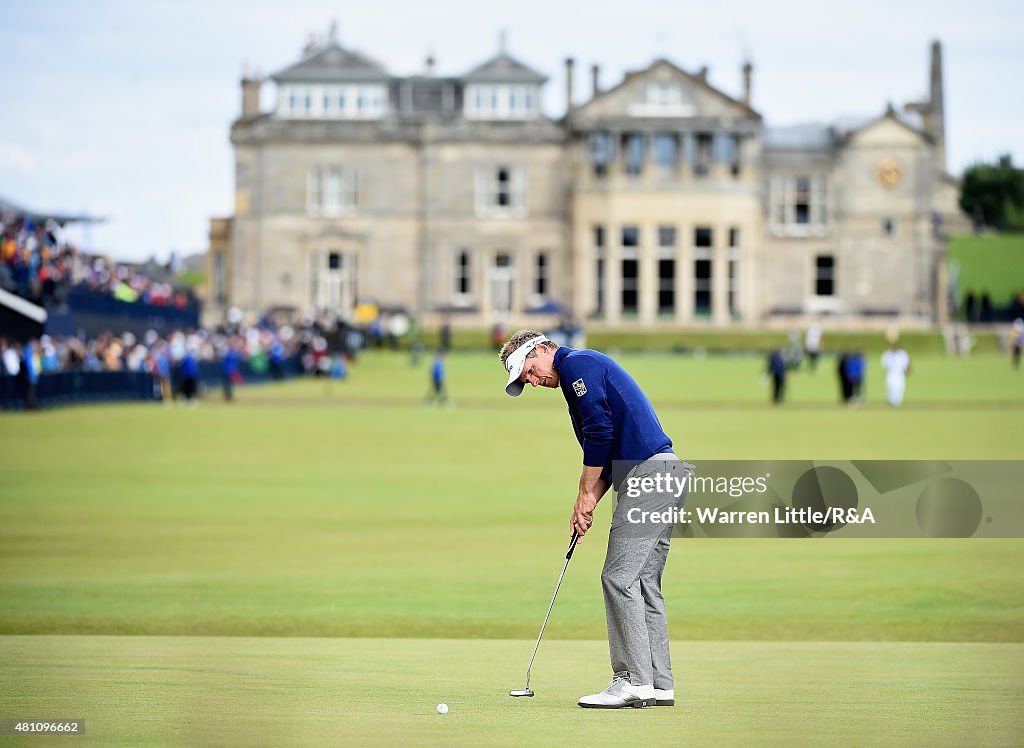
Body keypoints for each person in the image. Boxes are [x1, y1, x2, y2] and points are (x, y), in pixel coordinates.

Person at [499, 329, 694, 710]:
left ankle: (632, 680)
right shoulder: (577, 377)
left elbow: (600, 432)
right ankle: (657, 682)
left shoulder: (577, 365)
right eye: (527, 380)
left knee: (617, 578)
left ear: (541, 349)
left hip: (649, 477)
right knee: (643, 583)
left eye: (531, 371)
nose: (535, 382)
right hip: (665, 474)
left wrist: (584, 493)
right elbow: (603, 459)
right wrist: (586, 504)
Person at [880, 335, 911, 407]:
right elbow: (884, 364)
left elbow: (908, 364)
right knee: (891, 387)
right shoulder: (887, 354)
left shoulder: (902, 354)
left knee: (900, 387)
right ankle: (891, 401)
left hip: (900, 374)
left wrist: (907, 371)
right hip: (891, 373)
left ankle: (897, 402)